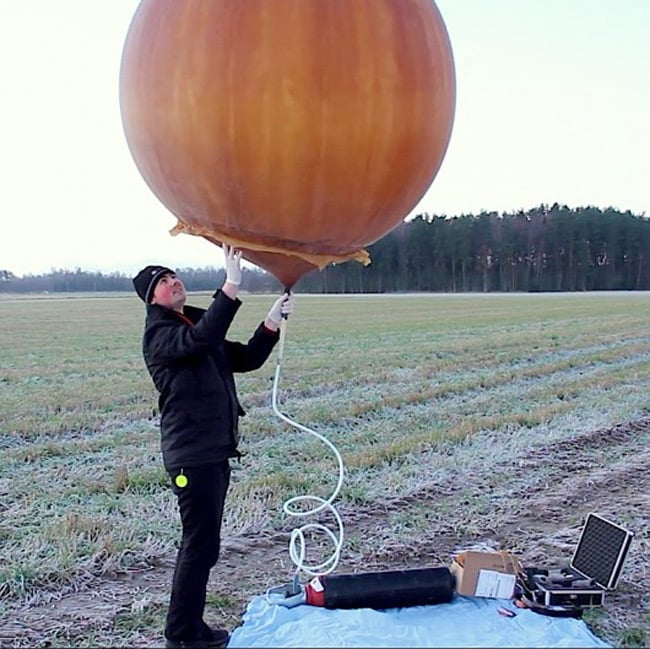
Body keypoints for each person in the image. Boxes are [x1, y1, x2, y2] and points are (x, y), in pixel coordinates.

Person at [132, 245, 294, 649]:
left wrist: (271, 323)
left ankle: (191, 629)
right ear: (152, 300)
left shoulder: (194, 324)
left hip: (214, 451)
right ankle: (182, 636)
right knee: (198, 545)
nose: (173, 283)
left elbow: (247, 357)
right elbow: (202, 340)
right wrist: (231, 285)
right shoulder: (161, 335)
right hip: (191, 455)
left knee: (205, 547)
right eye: (162, 283)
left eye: (173, 276)